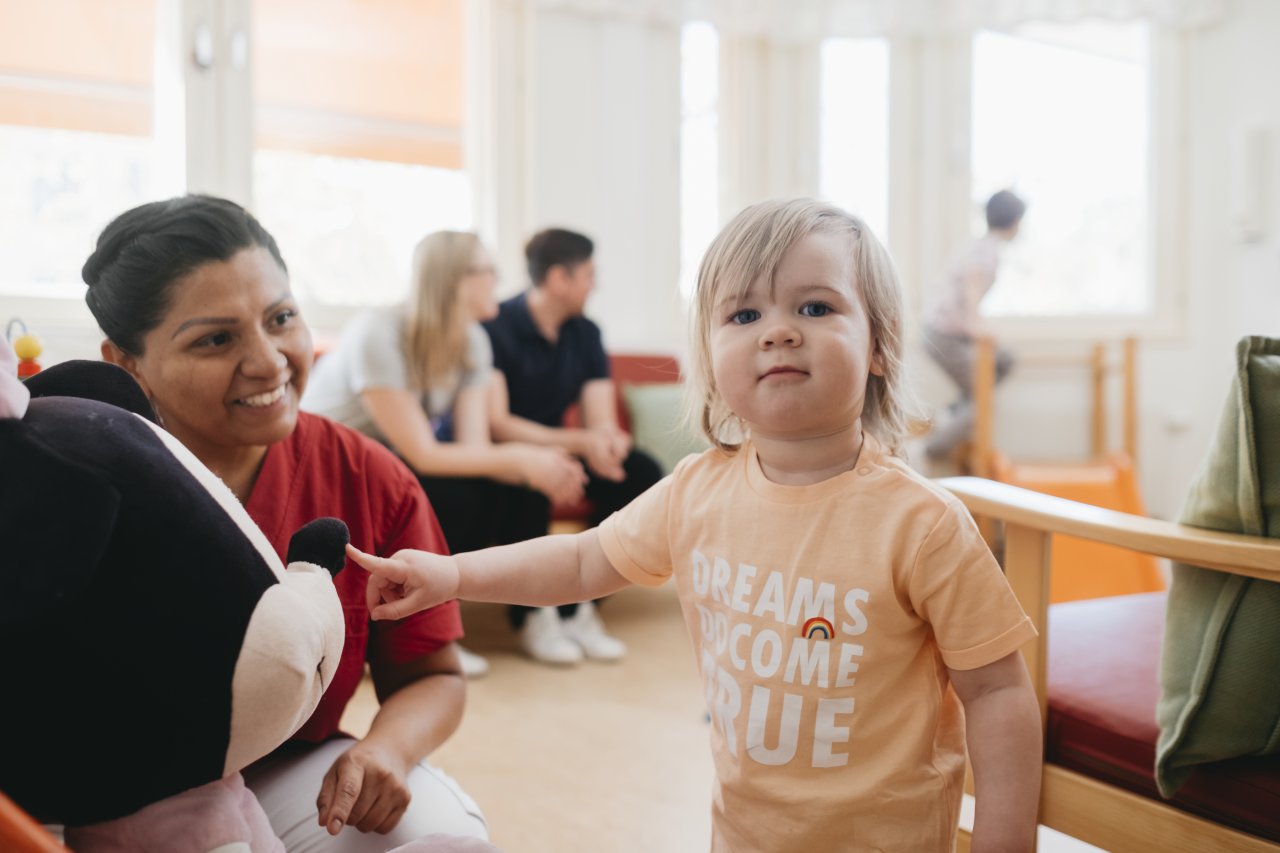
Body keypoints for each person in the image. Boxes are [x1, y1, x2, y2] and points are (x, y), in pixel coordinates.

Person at [349, 198, 1044, 852]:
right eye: (743, 314)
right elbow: (583, 561)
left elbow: (999, 690)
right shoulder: (696, 491)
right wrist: (452, 573)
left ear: (879, 347)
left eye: (815, 305)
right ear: (710, 361)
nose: (778, 329)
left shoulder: (923, 524)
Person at [83, 195, 488, 851]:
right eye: (216, 338)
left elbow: (433, 675)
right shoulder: (73, 472)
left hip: (287, 766)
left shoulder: (368, 477)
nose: (270, 360)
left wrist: (386, 750)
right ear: (125, 362)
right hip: (109, 788)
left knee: (437, 841)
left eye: (282, 318)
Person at [303, 230, 588, 671]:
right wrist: (519, 459)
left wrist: (536, 469)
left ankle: (530, 615)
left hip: (385, 461)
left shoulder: (474, 340)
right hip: (323, 465)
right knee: (465, 489)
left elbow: (473, 450)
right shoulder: (378, 332)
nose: (499, 280)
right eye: (488, 271)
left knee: (517, 488)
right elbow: (424, 454)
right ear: (454, 279)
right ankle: (414, 632)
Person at [481, 228, 662, 664]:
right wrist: (581, 442)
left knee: (639, 473)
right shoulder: (494, 326)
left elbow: (599, 418)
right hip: (506, 454)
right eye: (588, 275)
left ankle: (579, 607)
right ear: (560, 278)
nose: (593, 285)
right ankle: (534, 617)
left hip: (563, 445)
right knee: (532, 480)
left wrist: (608, 443)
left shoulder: (586, 332)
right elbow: (499, 424)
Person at [923, 189, 1026, 463]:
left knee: (1004, 360)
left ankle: (956, 410)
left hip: (948, 332)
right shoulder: (985, 251)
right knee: (982, 401)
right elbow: (971, 292)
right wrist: (976, 327)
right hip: (943, 335)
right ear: (1015, 221)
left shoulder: (981, 246)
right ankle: (931, 450)